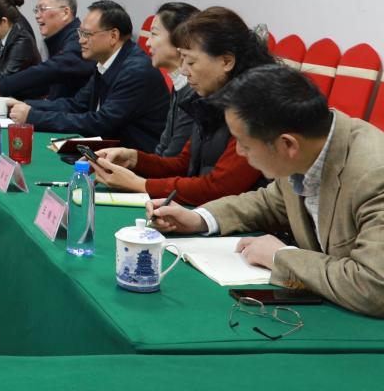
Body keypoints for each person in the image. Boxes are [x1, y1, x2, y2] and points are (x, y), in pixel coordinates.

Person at [147, 65, 384, 318]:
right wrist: (198, 219)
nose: (239, 152)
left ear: (287, 144)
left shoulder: (374, 173)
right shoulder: (309, 146)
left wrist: (280, 257)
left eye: (244, 144)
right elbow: (269, 202)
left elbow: (373, 286)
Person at [90, 7, 273, 205]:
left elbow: (219, 188)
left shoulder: (256, 110)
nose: (184, 71)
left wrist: (140, 184)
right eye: (183, 59)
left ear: (226, 61)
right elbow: (184, 164)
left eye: (191, 62)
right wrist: (134, 159)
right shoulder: (208, 100)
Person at [7, 0, 169, 151]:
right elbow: (77, 105)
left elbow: (100, 123)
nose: (80, 41)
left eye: (87, 34)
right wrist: (25, 105)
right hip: (110, 151)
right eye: (80, 33)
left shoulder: (135, 71)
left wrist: (33, 116)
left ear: (113, 36)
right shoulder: (106, 61)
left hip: (136, 160)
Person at [0, 0, 94, 101]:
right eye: (36, 10)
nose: (37, 16)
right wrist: (4, 92)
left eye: (43, 9)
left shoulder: (78, 41)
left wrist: (1, 87)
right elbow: (43, 85)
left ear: (65, 13)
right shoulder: (59, 40)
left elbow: (49, 71)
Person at [146, 2, 198, 157]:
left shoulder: (195, 91)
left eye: (154, 34)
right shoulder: (179, 84)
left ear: (180, 39)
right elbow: (164, 146)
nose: (147, 42)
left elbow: (174, 156)